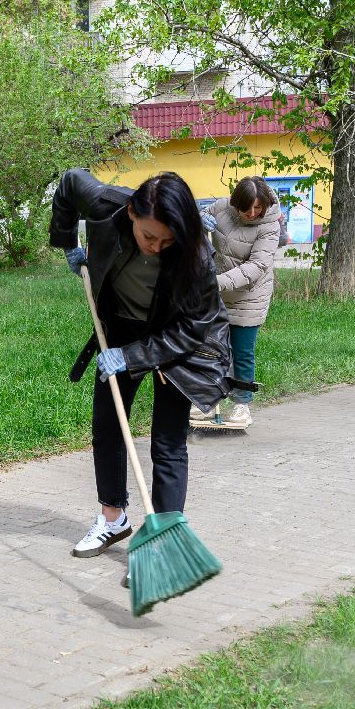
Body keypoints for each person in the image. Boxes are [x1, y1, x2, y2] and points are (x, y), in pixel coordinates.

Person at [51, 170, 233, 557]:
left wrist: (132, 357)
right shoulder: (105, 204)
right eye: (149, 236)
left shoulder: (196, 253)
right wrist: (67, 242)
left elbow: (193, 328)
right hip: (121, 324)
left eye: (167, 241)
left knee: (167, 441)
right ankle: (113, 518)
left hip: (180, 341)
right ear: (132, 213)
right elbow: (68, 184)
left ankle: (162, 539)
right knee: (109, 424)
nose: (156, 247)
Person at [192, 177, 280, 430]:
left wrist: (214, 283)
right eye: (246, 208)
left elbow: (256, 267)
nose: (252, 213)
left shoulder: (270, 227)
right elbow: (192, 221)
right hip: (216, 294)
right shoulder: (221, 208)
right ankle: (206, 401)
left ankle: (242, 404)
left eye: (257, 208)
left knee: (241, 353)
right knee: (211, 349)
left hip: (249, 298)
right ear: (234, 203)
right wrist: (198, 220)